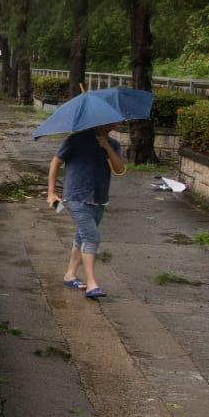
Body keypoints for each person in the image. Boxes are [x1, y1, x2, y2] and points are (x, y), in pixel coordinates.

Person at [46, 123, 126, 299]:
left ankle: (70, 275)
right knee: (92, 237)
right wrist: (51, 193)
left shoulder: (113, 144)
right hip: (76, 197)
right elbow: (55, 163)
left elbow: (119, 169)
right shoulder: (76, 140)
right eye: (112, 121)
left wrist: (106, 146)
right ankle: (92, 284)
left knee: (81, 236)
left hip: (99, 197)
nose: (115, 124)